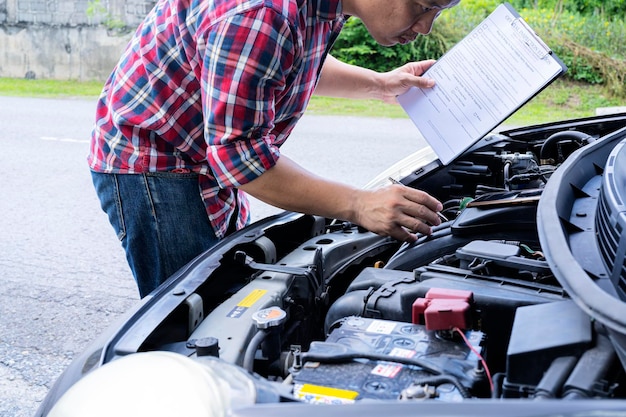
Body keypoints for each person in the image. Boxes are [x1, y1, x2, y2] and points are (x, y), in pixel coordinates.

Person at [89, 0, 460, 298]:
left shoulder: (317, 10)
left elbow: (291, 57)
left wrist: (379, 84)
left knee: (223, 286)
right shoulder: (263, 12)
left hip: (202, 157)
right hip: (154, 160)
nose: (425, 26)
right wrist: (360, 204)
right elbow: (240, 157)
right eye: (424, 6)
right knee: (192, 316)